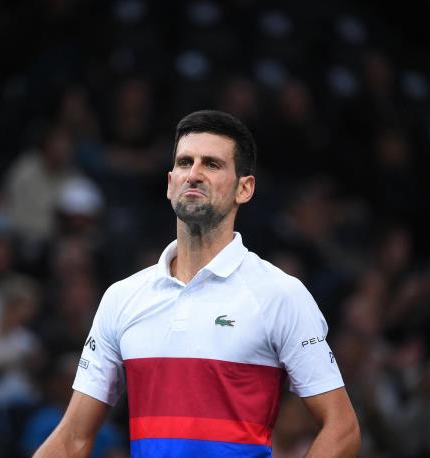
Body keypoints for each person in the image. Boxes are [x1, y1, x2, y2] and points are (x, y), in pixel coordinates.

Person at [34, 110, 360, 457]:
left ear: (244, 188)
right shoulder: (122, 298)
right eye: (185, 162)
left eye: (212, 164)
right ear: (170, 183)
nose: (194, 174)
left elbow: (342, 429)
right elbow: (72, 439)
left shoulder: (281, 294)